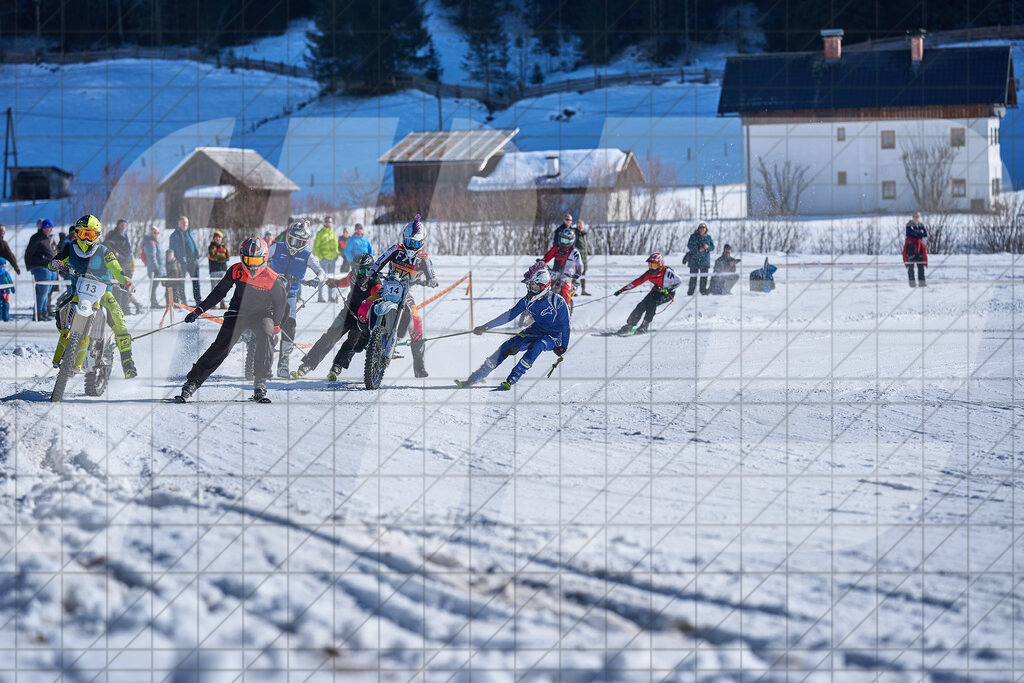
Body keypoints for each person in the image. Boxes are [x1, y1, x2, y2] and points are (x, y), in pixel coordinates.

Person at [176, 238, 288, 404]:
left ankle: (260, 382)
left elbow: (281, 303)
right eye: (248, 260)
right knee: (221, 346)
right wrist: (198, 311)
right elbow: (219, 292)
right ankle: (192, 382)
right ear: (242, 258)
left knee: (266, 335)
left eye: (256, 260)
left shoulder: (273, 278)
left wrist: (276, 325)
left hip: (262, 313)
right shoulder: (236, 270)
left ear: (264, 259)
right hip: (238, 312)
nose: (252, 265)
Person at [48, 215, 137, 378]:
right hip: (77, 294)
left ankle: (127, 362)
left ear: (98, 235)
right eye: (83, 234)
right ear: (77, 233)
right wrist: (55, 264)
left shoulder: (104, 251)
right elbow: (54, 261)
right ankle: (67, 347)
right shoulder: (69, 249)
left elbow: (118, 270)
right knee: (60, 311)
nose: (86, 238)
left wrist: (127, 281)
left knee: (119, 318)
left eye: (91, 235)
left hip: (102, 294)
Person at [456, 269, 570, 390]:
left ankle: (513, 378)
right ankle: (477, 376)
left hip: (554, 336)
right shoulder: (527, 300)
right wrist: (485, 326)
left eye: (535, 288)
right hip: (535, 330)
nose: (531, 290)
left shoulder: (558, 302)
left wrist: (564, 346)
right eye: (530, 286)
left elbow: (566, 326)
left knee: (539, 345)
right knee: (508, 346)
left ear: (545, 287)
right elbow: (509, 316)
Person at [366, 215, 438, 378]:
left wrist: (431, 281)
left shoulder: (423, 258)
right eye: (409, 242)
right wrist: (371, 272)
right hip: (388, 287)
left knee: (417, 321)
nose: (411, 246)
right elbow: (380, 261)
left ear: (422, 242)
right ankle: (369, 340)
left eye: (415, 243)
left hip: (408, 291)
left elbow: (432, 275)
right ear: (404, 239)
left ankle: (419, 366)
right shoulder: (396, 249)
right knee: (366, 305)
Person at [291, 253, 382, 380]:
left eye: (363, 270)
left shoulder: (375, 283)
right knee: (330, 336)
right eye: (355, 269)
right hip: (347, 312)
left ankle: (338, 365)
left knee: (352, 341)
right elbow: (344, 281)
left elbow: (380, 300)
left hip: (363, 318)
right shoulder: (352, 276)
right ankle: (308, 363)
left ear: (370, 269)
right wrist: (335, 283)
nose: (359, 273)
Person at [268, 220, 325, 377]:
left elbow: (321, 272)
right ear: (287, 236)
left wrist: (317, 279)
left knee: (290, 326)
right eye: (292, 239)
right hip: (269, 290)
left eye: (299, 241)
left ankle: (284, 363)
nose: (294, 244)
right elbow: (261, 258)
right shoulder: (277, 247)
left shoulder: (307, 255)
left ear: (305, 242)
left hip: (290, 294)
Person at [613, 252, 681, 335]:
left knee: (651, 304)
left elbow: (679, 282)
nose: (652, 268)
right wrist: (622, 290)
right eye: (650, 265)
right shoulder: (649, 274)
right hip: (656, 290)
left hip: (668, 294)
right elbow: (637, 282)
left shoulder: (668, 272)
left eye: (654, 265)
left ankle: (644, 325)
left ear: (660, 265)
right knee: (642, 304)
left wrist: (668, 289)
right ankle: (629, 325)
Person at [531, 225, 583, 306]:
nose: (563, 242)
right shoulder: (557, 248)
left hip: (567, 276)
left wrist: (578, 273)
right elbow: (547, 257)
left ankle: (567, 309)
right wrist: (540, 262)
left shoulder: (574, 252)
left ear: (571, 241)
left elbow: (580, 264)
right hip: (554, 273)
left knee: (565, 290)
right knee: (543, 285)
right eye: (562, 240)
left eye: (565, 241)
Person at [25, 219, 58, 321]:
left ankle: (43, 312)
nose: (51, 230)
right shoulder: (37, 238)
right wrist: (29, 264)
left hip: (49, 267)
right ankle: (38, 312)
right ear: (45, 228)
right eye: (50, 228)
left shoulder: (47, 239)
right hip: (40, 267)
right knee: (42, 290)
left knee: (47, 290)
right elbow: (28, 252)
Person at [103, 218, 135, 313]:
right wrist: (114, 252)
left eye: (125, 225)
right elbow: (106, 244)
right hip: (119, 265)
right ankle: (119, 309)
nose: (123, 227)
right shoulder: (114, 234)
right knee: (119, 288)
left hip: (127, 263)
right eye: (122, 225)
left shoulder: (125, 235)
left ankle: (126, 308)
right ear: (117, 225)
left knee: (127, 287)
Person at [169, 216, 202, 305]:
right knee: (181, 283)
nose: (185, 224)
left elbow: (195, 244)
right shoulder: (174, 235)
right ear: (179, 223)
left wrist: (197, 254)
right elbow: (171, 249)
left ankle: (198, 301)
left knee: (196, 282)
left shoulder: (191, 232)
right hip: (182, 263)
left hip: (193, 261)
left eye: (186, 223)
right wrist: (173, 259)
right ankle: (183, 302)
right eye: (183, 223)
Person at [313, 216, 340, 303]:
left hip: (332, 259)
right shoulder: (320, 233)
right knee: (322, 277)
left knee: (331, 278)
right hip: (324, 259)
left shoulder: (333, 232)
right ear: (324, 222)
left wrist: (336, 254)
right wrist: (320, 257)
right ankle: (320, 297)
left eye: (330, 221)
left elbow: (336, 244)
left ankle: (331, 296)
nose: (328, 223)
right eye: (327, 221)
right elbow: (315, 246)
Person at [685, 222, 715, 296]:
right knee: (693, 277)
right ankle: (691, 292)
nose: (702, 229)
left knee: (704, 277)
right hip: (694, 260)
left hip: (704, 260)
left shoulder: (708, 237)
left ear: (706, 229)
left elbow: (713, 247)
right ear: (698, 229)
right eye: (700, 227)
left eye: (703, 228)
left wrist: (707, 248)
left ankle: (703, 291)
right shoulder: (693, 236)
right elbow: (689, 245)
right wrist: (698, 249)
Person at [140, 226, 164, 308]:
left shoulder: (155, 241)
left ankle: (154, 302)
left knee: (155, 286)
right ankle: (153, 303)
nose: (156, 234)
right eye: (154, 232)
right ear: (151, 233)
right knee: (154, 286)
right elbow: (152, 256)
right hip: (154, 268)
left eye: (158, 232)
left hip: (158, 267)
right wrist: (156, 268)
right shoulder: (150, 242)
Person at [904, 211, 928, 288]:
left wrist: (916, 232)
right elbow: (909, 233)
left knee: (921, 266)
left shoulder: (921, 225)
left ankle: (922, 283)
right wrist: (919, 232)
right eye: (914, 216)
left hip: (920, 247)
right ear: (912, 217)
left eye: (917, 217)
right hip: (911, 247)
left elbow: (925, 234)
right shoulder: (909, 225)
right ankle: (912, 284)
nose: (916, 218)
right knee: (911, 267)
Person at [207, 230, 230, 308]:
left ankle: (222, 303)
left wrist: (218, 257)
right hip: (214, 270)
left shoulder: (224, 247)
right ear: (214, 238)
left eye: (219, 237)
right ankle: (213, 304)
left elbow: (227, 257)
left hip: (223, 269)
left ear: (221, 239)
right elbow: (212, 256)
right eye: (216, 237)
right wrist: (222, 256)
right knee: (214, 288)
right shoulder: (211, 246)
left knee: (223, 288)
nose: (217, 238)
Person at [574, 219, 592, 296]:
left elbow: (585, 244)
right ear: (577, 226)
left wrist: (588, 250)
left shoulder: (583, 234)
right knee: (575, 274)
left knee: (583, 275)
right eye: (579, 225)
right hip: (578, 259)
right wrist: (578, 252)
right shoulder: (576, 234)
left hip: (584, 258)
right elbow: (573, 246)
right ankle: (572, 291)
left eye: (582, 225)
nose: (580, 227)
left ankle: (583, 290)